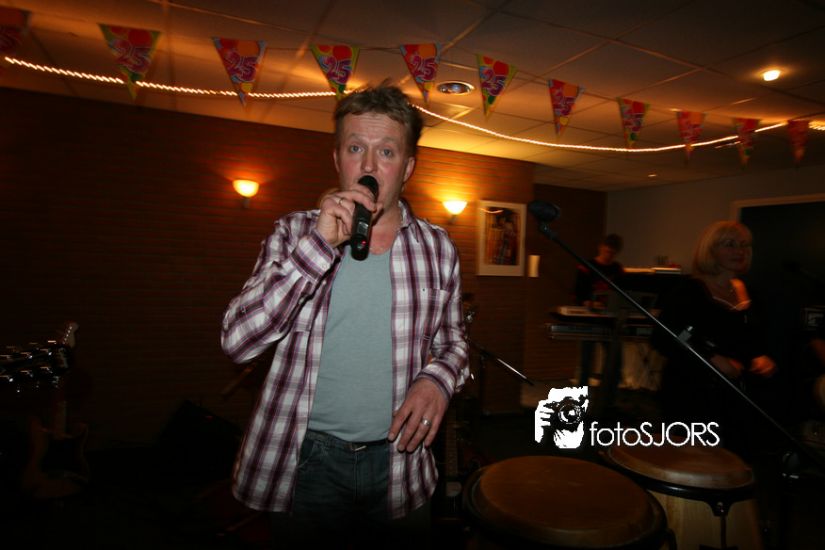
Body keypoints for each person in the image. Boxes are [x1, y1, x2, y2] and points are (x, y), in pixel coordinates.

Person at [220, 84, 469, 547]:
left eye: (386, 151)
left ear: (407, 167)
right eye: (356, 148)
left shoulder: (438, 248)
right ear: (338, 159)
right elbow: (238, 341)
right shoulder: (293, 233)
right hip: (307, 460)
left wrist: (437, 380)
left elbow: (453, 341)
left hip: (400, 459)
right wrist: (318, 247)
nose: (369, 166)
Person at [653, 221, 777, 453]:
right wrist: (712, 357)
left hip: (739, 395)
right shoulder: (688, 291)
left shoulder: (751, 293)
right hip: (694, 394)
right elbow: (668, 336)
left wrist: (761, 356)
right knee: (696, 459)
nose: (739, 251)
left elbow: (756, 337)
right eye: (730, 244)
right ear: (710, 251)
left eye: (744, 245)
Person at [574, 233, 624, 308]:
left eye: (612, 253)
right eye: (608, 251)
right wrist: (587, 303)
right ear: (600, 247)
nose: (609, 255)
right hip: (589, 309)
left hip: (610, 309)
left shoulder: (618, 269)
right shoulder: (586, 266)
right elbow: (578, 293)